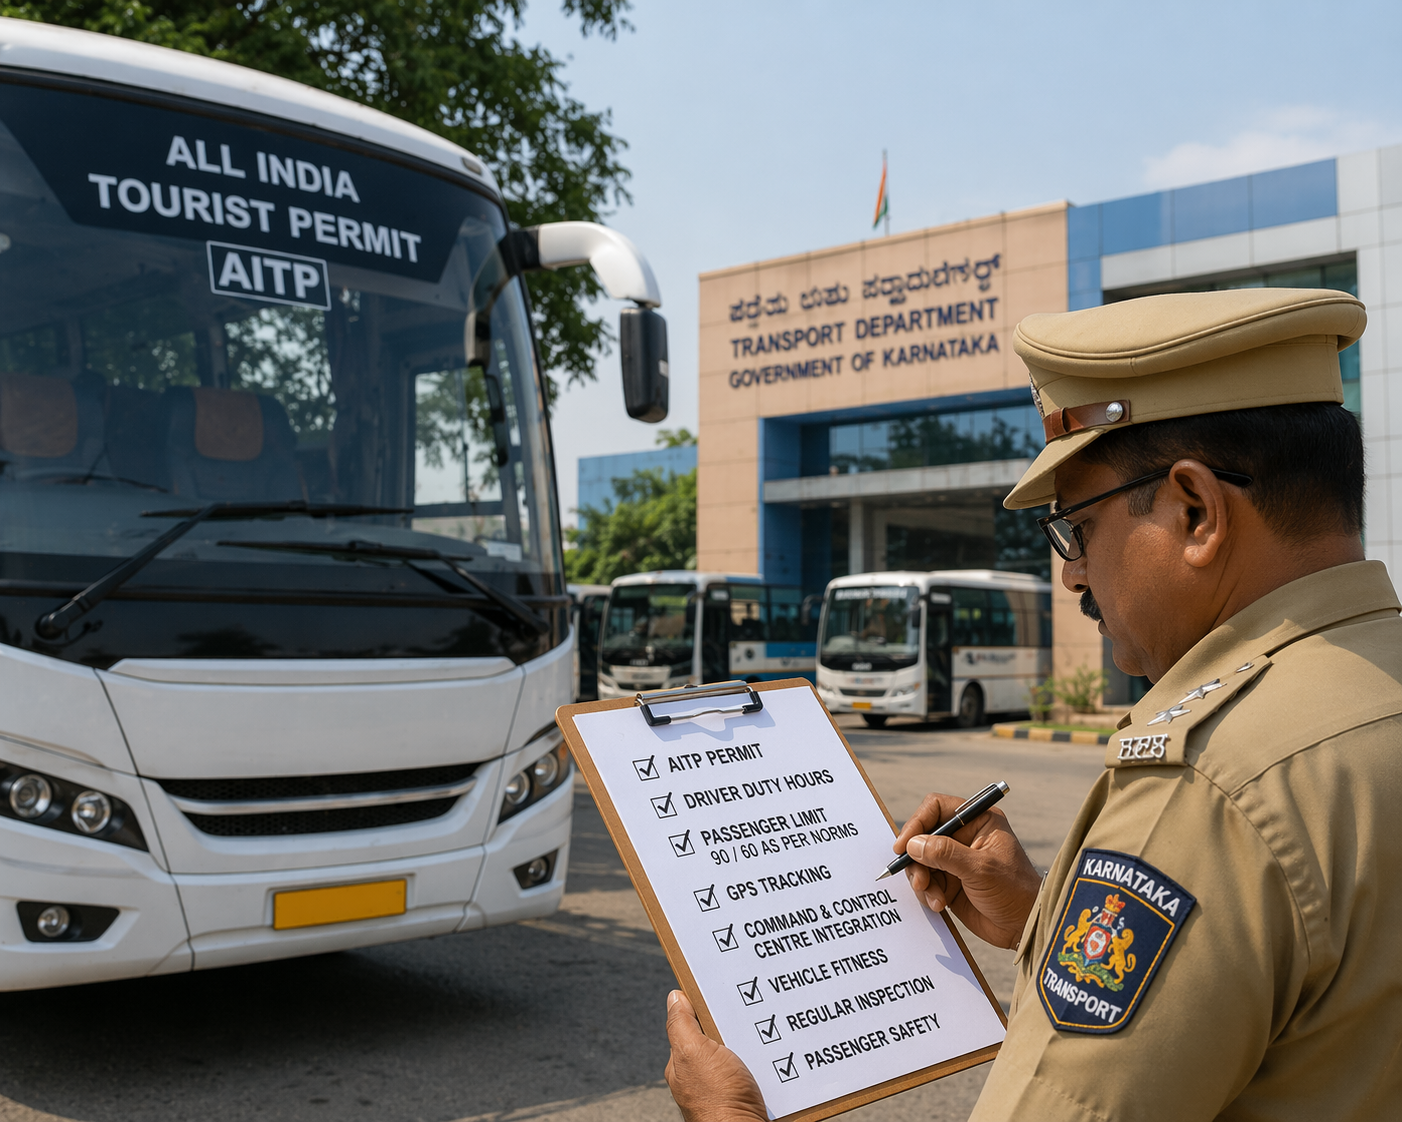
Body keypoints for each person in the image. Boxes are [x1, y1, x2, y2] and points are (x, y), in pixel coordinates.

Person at [663, 287, 1402, 1120]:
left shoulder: (1210, 789)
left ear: (1195, 511)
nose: (1072, 575)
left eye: (1074, 528)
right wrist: (1043, 919)